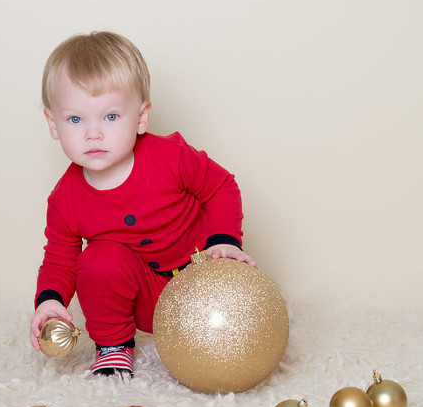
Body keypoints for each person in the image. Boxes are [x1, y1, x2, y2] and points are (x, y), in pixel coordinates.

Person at [30, 31, 256, 376]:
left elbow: (221, 186)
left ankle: (227, 325)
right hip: (143, 298)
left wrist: (224, 241)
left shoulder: (169, 156)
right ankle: (114, 346)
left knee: (241, 314)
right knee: (98, 261)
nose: (93, 133)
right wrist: (49, 299)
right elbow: (60, 259)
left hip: (203, 280)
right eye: (76, 119)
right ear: (53, 124)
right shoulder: (65, 200)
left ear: (140, 117)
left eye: (110, 117)